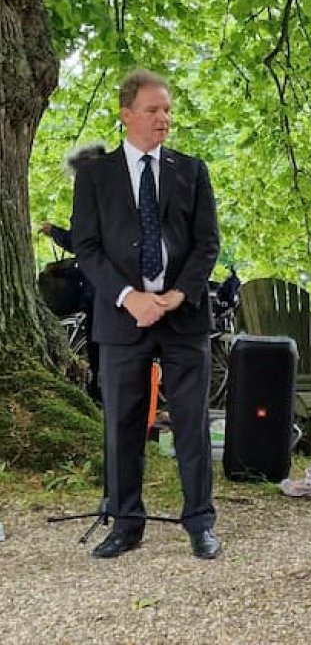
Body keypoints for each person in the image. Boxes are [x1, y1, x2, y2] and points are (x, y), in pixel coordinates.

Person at [71, 69, 221, 560]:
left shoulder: (191, 170)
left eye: (168, 110)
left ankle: (200, 522)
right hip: (121, 321)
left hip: (183, 318)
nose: (164, 119)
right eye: (154, 110)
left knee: (192, 424)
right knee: (123, 423)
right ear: (127, 115)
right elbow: (87, 248)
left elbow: (207, 244)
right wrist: (127, 296)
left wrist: (179, 294)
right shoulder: (96, 176)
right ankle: (126, 521)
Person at [41, 142, 108, 403]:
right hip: (113, 285)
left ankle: (98, 397)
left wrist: (54, 232)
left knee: (98, 345)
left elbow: (79, 241)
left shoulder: (92, 201)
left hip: (98, 287)